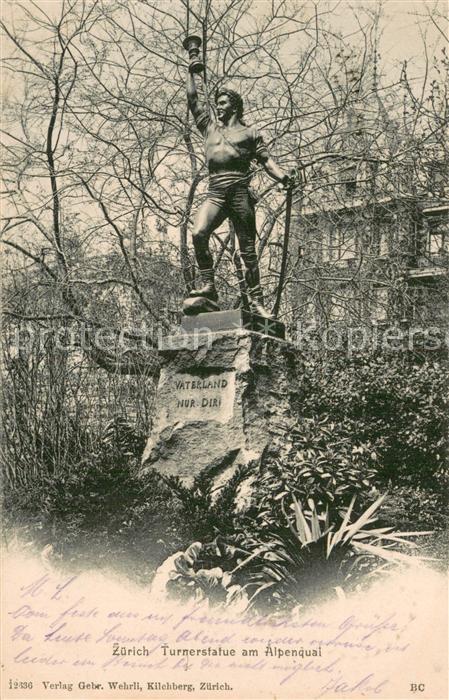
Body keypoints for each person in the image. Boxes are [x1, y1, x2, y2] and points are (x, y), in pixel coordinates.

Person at [186, 69, 292, 318]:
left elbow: (267, 162)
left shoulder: (250, 134)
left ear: (234, 106)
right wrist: (191, 72)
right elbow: (193, 101)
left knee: (247, 251)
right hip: (216, 191)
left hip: (240, 193)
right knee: (199, 233)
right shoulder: (210, 128)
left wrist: (284, 176)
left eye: (222, 103)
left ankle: (256, 301)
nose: (218, 107)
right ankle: (209, 286)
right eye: (217, 103)